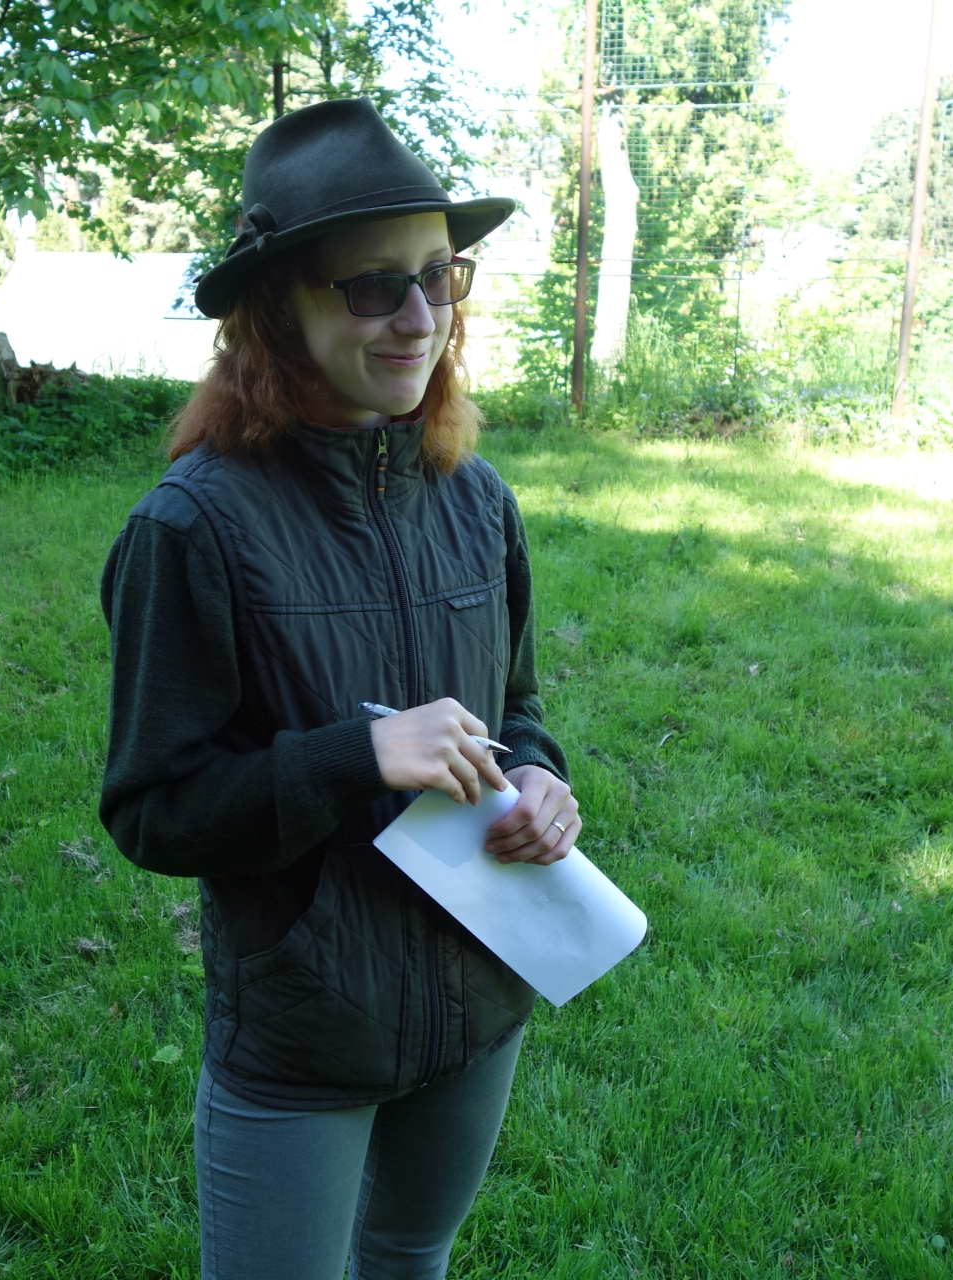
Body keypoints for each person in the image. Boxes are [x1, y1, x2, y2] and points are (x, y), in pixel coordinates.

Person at [99, 98, 581, 1280]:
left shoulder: (478, 500)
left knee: (411, 1253)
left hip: (481, 998)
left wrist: (541, 779)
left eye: (440, 275)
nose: (420, 318)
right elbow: (155, 809)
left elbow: (517, 711)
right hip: (304, 1030)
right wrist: (352, 757)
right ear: (280, 308)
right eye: (373, 286)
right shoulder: (193, 530)